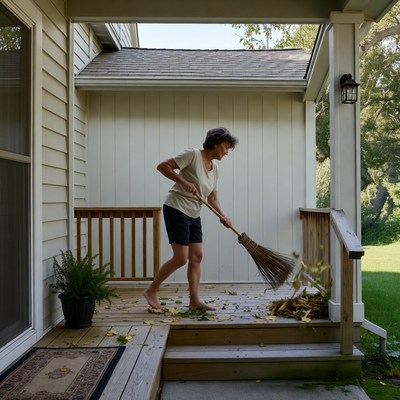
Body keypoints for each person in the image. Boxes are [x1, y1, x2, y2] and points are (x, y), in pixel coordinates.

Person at [144, 127, 238, 310]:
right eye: (226, 147)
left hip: (194, 212)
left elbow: (212, 198)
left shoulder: (215, 169)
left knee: (197, 256)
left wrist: (223, 216)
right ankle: (151, 290)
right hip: (176, 207)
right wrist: (184, 182)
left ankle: (194, 301)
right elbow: (162, 166)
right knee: (181, 258)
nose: (227, 152)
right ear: (215, 143)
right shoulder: (193, 155)